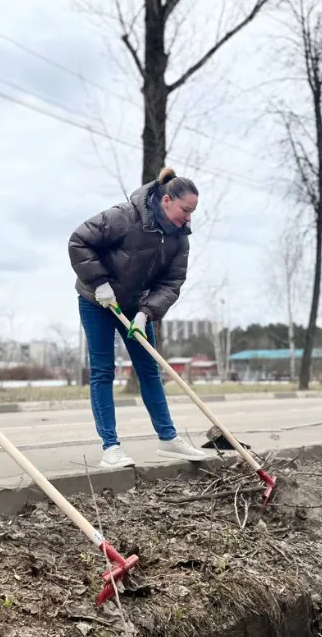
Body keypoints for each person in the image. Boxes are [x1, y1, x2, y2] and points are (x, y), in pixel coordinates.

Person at [69, 167, 210, 468]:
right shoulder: (125, 216)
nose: (188, 218)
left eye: (192, 212)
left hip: (135, 304)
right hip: (97, 300)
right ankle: (111, 448)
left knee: (149, 369)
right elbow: (79, 241)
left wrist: (147, 313)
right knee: (103, 371)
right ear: (167, 200)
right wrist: (99, 282)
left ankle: (168, 439)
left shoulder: (179, 238)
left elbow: (171, 283)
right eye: (185, 210)